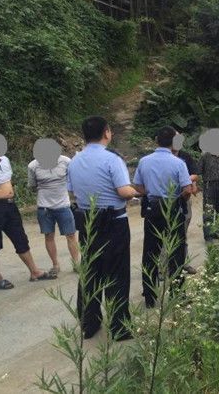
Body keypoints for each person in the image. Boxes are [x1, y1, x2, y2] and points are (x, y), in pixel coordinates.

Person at [67, 117, 137, 341]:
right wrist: (137, 191)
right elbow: (124, 191)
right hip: (113, 222)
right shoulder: (112, 159)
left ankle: (89, 324)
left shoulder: (74, 161)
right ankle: (119, 327)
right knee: (116, 274)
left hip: (88, 223)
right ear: (107, 132)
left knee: (91, 272)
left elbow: (72, 192)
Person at [133, 126, 192, 308]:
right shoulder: (178, 163)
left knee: (150, 252)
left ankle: (150, 296)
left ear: (156, 140)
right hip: (172, 208)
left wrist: (151, 192)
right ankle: (176, 294)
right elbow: (187, 190)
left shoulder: (144, 161)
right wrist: (178, 198)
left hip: (152, 208)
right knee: (176, 253)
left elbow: (138, 187)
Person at [0, 133, 56, 290]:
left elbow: (7, 184)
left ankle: (34, 271)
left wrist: (7, 193)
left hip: (9, 205)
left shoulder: (4, 160)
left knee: (20, 238)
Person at [28, 138, 80, 275]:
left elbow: (73, 179)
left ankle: (76, 264)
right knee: (48, 236)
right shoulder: (33, 166)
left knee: (71, 235)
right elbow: (32, 185)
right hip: (44, 208)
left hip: (63, 206)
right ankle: (55, 265)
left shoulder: (66, 162)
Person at [194, 129, 219, 242]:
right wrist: (195, 185)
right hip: (209, 185)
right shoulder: (205, 156)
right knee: (209, 210)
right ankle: (208, 235)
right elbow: (197, 172)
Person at [171, 134, 198, 275]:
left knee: (183, 232)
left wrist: (185, 179)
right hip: (168, 199)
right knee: (167, 233)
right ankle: (165, 266)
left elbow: (195, 174)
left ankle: (183, 263)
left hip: (184, 198)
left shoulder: (185, 156)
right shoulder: (165, 157)